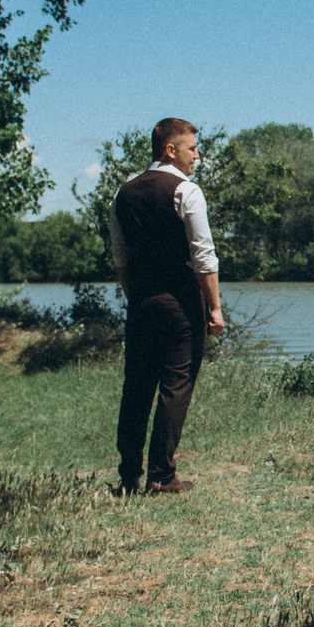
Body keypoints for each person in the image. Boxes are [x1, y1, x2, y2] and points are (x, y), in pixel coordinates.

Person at [108, 117, 225, 496]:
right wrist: (215, 308)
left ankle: (129, 476)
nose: (197, 155)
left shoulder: (122, 194)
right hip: (179, 304)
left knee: (137, 387)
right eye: (192, 148)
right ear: (170, 150)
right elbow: (204, 257)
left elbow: (121, 258)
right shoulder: (186, 191)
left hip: (141, 302)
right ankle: (161, 475)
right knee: (176, 384)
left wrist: (136, 297)